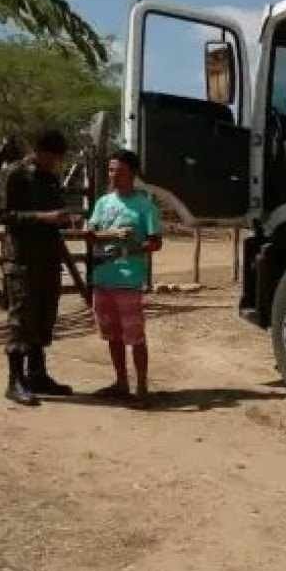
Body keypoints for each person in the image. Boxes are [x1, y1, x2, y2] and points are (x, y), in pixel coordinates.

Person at [0, 129, 77, 406]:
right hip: (22, 260)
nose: (55, 163)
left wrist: (65, 219)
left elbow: (56, 212)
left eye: (58, 159)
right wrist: (43, 217)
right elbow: (1, 215)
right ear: (39, 152)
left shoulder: (50, 178)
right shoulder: (13, 174)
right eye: (52, 158)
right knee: (21, 320)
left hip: (48, 258)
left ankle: (37, 375)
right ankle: (14, 381)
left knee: (44, 317)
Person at [86, 149, 163, 405]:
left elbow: (155, 242)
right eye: (110, 170)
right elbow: (91, 233)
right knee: (112, 335)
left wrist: (132, 247)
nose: (113, 175)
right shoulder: (103, 203)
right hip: (102, 277)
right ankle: (121, 382)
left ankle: (141, 388)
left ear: (132, 174)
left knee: (135, 336)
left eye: (119, 171)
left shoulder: (145, 206)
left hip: (128, 280)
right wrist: (107, 235)